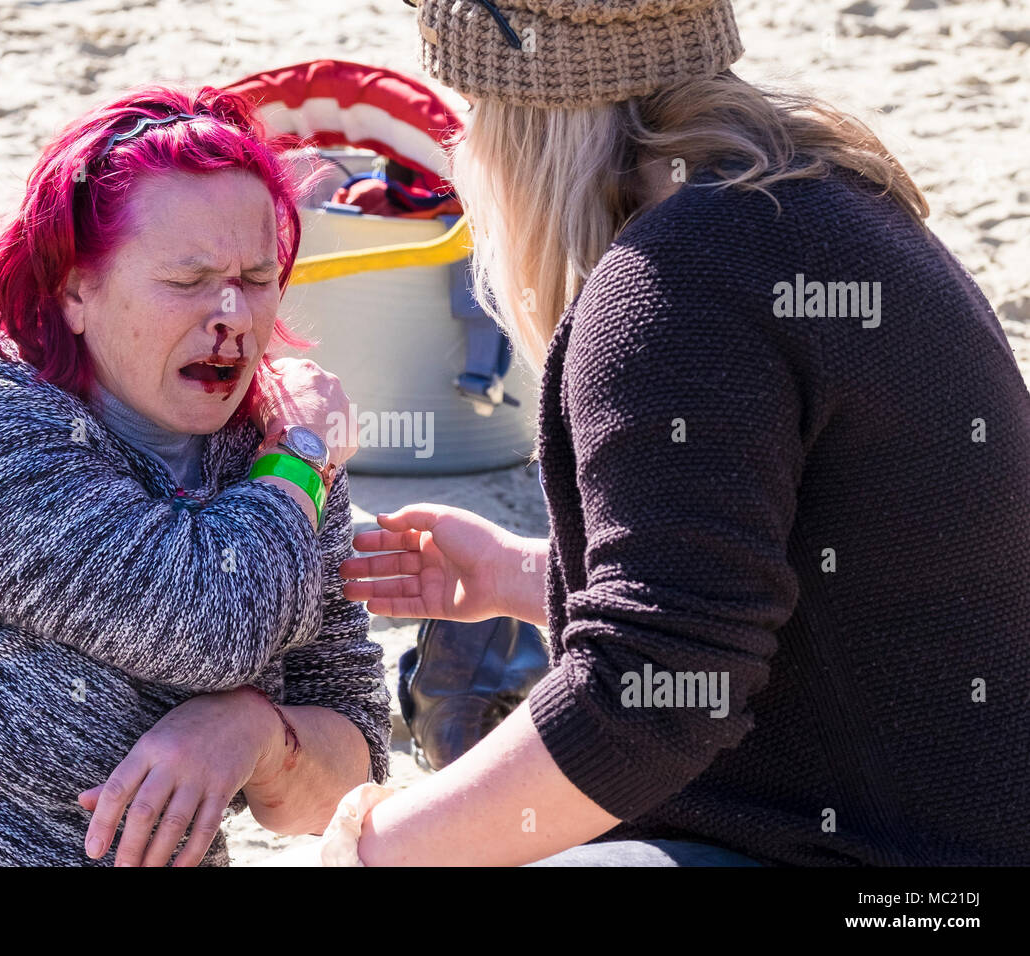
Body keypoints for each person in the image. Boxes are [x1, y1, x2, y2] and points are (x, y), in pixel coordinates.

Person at [288, 0, 1030, 866]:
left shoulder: (671, 285)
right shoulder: (819, 195)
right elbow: (817, 590)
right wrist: (526, 575)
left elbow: (656, 697)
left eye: (467, 114)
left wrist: (368, 848)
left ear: (514, 113)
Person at [0, 85, 390, 867]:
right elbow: (208, 624)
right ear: (74, 287)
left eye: (256, 277)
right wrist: (300, 462)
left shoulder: (275, 460)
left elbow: (346, 771)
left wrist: (254, 735)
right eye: (187, 281)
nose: (233, 316)